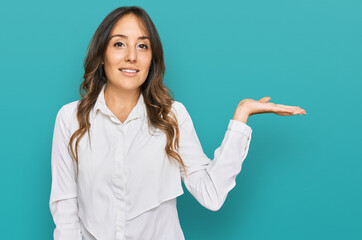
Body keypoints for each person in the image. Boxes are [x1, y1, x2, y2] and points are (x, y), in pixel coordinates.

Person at [49, 6, 306, 240]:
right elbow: (66, 208)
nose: (131, 56)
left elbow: (211, 194)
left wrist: (242, 115)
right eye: (119, 44)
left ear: (152, 59)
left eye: (142, 46)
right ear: (102, 54)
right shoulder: (70, 118)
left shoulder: (171, 116)